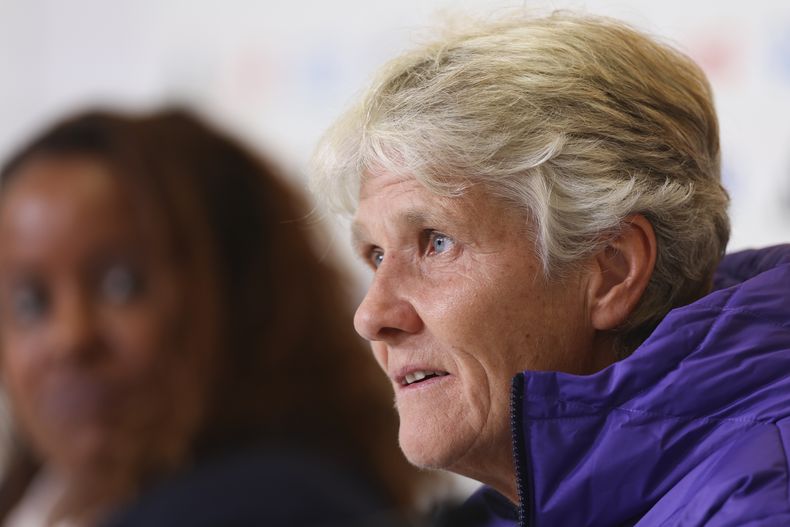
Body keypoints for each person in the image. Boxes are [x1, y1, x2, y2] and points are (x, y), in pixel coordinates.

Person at [310, 12, 790, 526]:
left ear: (613, 270)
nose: (371, 316)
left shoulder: (761, 503)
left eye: (438, 242)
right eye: (377, 255)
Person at [0, 109, 427, 526]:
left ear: (245, 295)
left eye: (122, 285)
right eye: (30, 303)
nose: (72, 338)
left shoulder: (268, 507)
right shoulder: (50, 496)